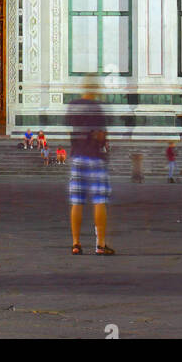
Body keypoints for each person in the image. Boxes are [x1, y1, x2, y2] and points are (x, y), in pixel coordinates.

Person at [67, 84, 113, 255]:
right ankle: (100, 245)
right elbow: (100, 135)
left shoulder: (73, 106)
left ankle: (76, 244)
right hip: (95, 158)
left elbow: (71, 131)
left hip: (78, 156)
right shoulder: (97, 108)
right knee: (99, 200)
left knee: (77, 201)